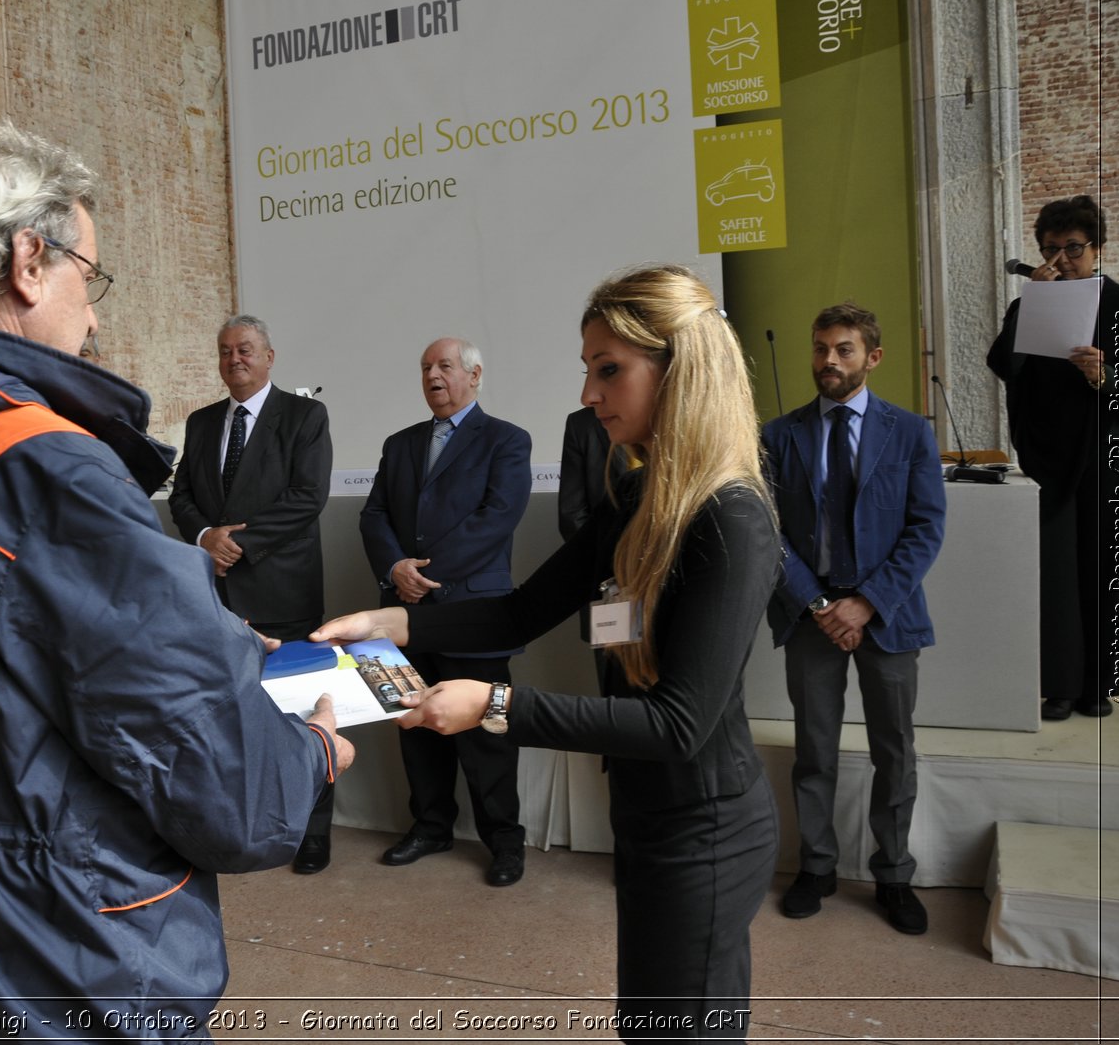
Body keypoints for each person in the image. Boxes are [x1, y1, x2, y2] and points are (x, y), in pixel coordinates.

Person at [0, 120, 354, 1040]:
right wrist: (311, 755)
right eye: (89, 278)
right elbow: (229, 786)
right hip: (61, 959)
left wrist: (204, 640)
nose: (94, 314)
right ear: (27, 260)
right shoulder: (40, 464)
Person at [320, 266, 779, 1038]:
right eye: (587, 370)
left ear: (680, 368)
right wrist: (395, 624)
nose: (589, 394)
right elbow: (520, 610)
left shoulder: (730, 517)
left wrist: (493, 704)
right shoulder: (638, 497)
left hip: (705, 822)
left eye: (610, 370)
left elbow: (678, 724)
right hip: (646, 807)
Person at [761, 304, 946, 936]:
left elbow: (926, 530)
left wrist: (865, 603)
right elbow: (769, 531)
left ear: (873, 356)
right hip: (810, 617)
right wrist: (819, 604)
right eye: (819, 349)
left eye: (843, 349)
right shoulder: (778, 435)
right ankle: (817, 867)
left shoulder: (910, 432)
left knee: (894, 750)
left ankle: (893, 873)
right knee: (814, 750)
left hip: (886, 617)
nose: (828, 361)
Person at [359, 337, 532, 888]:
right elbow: (374, 514)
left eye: (445, 366)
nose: (433, 375)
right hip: (403, 613)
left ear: (475, 375)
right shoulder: (399, 443)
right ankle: (430, 826)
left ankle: (504, 841)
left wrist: (422, 573)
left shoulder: (507, 440)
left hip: (474, 614)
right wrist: (395, 570)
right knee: (414, 726)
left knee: (488, 736)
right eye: (426, 367)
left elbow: (497, 518)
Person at [169, 314, 335, 872]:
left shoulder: (305, 415)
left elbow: (307, 496)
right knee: (227, 718)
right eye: (224, 351)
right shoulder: (200, 422)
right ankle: (238, 829)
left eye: (244, 349)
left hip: (282, 593)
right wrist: (203, 536)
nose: (233, 359)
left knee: (301, 714)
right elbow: (183, 495)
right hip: (216, 599)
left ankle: (312, 834)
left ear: (268, 356)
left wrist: (239, 544)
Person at [987, 194, 1119, 720]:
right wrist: (1032, 305)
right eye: (1051, 250)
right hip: (1050, 460)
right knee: (1056, 577)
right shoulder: (1028, 305)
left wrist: (1106, 378)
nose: (1061, 260)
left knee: (1104, 571)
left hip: (1107, 459)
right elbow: (1004, 364)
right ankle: (1061, 686)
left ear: (1096, 249)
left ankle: (1099, 683)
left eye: (1072, 248)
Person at [558, 406, 630, 693]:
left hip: (678, 582)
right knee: (616, 689)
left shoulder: (687, 412)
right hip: (610, 584)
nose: (589, 391)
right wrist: (618, 572)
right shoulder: (582, 423)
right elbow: (572, 515)